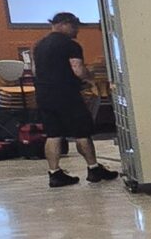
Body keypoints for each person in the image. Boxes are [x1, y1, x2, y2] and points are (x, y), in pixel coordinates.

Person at [31, 13, 117, 188]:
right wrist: (90, 78)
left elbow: (34, 70)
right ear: (64, 24)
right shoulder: (70, 45)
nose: (77, 30)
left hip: (44, 94)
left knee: (53, 133)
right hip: (67, 94)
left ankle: (55, 174)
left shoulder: (39, 45)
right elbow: (77, 69)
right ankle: (93, 169)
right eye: (75, 26)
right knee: (82, 132)